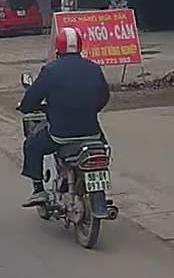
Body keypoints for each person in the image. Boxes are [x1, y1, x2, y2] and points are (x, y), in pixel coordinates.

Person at [18, 27, 111, 207]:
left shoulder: (50, 70)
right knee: (103, 149)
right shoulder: (94, 68)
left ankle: (38, 190)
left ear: (57, 48)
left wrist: (25, 107)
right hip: (91, 133)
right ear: (80, 47)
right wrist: (90, 109)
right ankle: (99, 189)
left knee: (32, 145)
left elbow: (31, 99)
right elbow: (104, 97)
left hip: (60, 135)